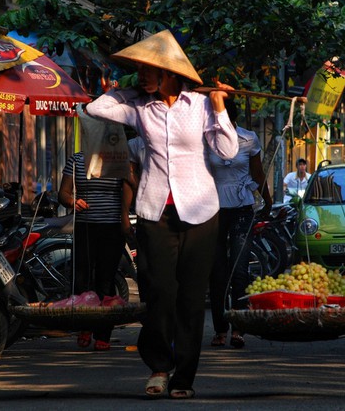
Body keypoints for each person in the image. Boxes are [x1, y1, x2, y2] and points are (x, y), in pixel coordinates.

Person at [85, 30, 238, 399]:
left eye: (149, 69)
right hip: (155, 212)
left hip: (200, 212)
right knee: (159, 292)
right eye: (139, 69)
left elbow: (228, 151)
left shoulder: (200, 106)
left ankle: (183, 377)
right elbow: (95, 109)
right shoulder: (138, 107)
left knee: (189, 297)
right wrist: (125, 89)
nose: (142, 74)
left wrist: (219, 108)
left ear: (172, 73)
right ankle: (158, 366)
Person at [208, 99, 272, 350]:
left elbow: (257, 174)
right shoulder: (206, 139)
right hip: (212, 210)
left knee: (240, 269)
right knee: (217, 272)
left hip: (242, 209)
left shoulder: (248, 139)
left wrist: (267, 200)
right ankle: (220, 329)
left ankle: (239, 327)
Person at [58, 150, 130, 351]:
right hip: (85, 227)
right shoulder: (76, 160)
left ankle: (103, 333)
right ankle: (85, 326)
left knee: (105, 280)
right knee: (82, 279)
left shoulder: (118, 158)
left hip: (113, 228)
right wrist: (73, 202)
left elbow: (129, 188)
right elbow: (63, 193)